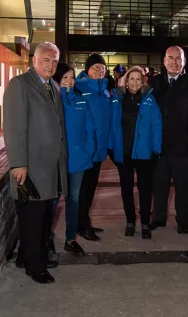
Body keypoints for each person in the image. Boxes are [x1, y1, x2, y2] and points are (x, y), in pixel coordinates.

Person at [4, 42, 68, 284]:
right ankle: (35, 267)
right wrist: (18, 163)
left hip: (50, 168)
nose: (50, 65)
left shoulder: (53, 86)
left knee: (42, 217)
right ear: (34, 61)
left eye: (54, 61)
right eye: (45, 60)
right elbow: (13, 127)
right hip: (29, 167)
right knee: (32, 218)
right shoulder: (20, 85)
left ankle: (28, 256)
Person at [148, 46, 188, 234]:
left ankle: (182, 221)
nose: (174, 62)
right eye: (171, 58)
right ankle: (159, 217)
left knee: (183, 187)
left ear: (184, 61)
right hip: (159, 146)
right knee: (159, 186)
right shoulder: (153, 83)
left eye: (178, 59)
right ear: (164, 61)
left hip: (184, 148)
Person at [108, 66, 162, 239]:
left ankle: (145, 222)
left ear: (143, 81)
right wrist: (112, 150)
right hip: (124, 153)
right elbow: (112, 126)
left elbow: (157, 126)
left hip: (145, 153)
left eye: (138, 79)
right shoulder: (118, 99)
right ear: (126, 80)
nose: (135, 82)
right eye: (132, 78)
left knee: (145, 189)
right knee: (126, 189)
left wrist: (156, 150)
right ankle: (130, 221)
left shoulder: (149, 100)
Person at [52, 63, 96, 255]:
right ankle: (47, 238)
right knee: (53, 201)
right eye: (65, 78)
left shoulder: (80, 100)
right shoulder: (52, 101)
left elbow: (90, 128)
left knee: (74, 199)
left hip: (78, 159)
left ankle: (70, 239)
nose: (70, 81)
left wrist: (88, 150)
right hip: (56, 160)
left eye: (72, 77)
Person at [75, 53, 112, 241]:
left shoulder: (105, 92)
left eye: (103, 68)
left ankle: (84, 221)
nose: (100, 71)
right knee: (82, 190)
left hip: (98, 152)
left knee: (90, 190)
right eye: (96, 67)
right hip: (85, 151)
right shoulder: (79, 89)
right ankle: (81, 225)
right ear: (87, 70)